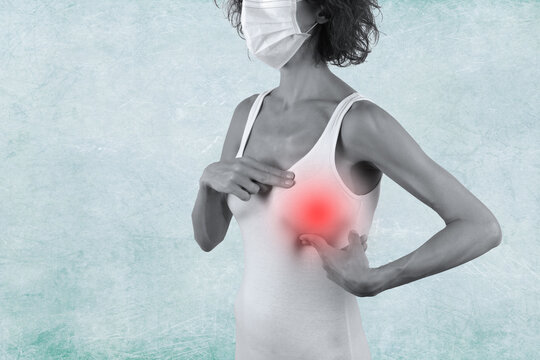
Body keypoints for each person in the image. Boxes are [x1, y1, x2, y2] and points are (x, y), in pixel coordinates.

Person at [192, 1, 503, 359]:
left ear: (323, 11)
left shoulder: (357, 122)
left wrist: (379, 278)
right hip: (250, 348)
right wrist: (207, 184)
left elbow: (481, 227)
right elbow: (207, 238)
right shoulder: (247, 113)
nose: (257, 8)